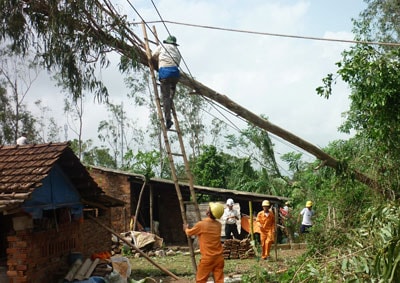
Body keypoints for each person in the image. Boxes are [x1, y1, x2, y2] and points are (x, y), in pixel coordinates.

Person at [183, 202, 225, 283]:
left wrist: (186, 229)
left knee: (201, 280)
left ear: (208, 213)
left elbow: (189, 233)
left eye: (208, 208)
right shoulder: (219, 225)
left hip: (208, 258)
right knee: (219, 280)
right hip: (219, 258)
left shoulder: (201, 225)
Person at [152, 35, 182, 129]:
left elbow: (153, 55)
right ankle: (170, 103)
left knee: (165, 98)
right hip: (175, 75)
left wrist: (160, 60)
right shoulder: (177, 51)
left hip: (165, 74)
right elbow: (177, 63)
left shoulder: (162, 46)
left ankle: (168, 120)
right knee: (170, 97)